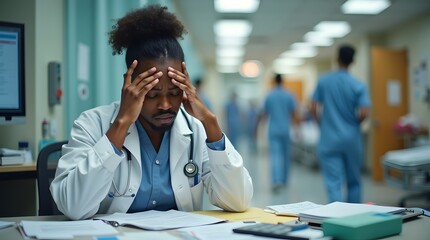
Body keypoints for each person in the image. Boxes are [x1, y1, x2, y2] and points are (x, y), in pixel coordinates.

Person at [50, 5, 253, 220]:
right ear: (131, 87)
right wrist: (120, 126)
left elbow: (237, 201)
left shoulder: (195, 130)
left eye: (175, 93)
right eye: (152, 95)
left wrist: (211, 124)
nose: (165, 104)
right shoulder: (92, 124)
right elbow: (73, 206)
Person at [311, 44, 371, 203]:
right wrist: (354, 124)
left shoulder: (324, 81)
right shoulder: (358, 84)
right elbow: (364, 112)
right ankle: (354, 217)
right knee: (354, 181)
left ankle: (336, 216)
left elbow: (313, 106)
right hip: (352, 138)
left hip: (329, 138)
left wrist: (321, 123)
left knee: (333, 182)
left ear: (337, 59)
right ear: (353, 61)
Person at [258, 74, 299, 192]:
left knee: (275, 156)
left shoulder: (270, 96)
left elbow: (264, 114)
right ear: (283, 81)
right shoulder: (289, 95)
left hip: (274, 130)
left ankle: (277, 181)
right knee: (286, 156)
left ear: (274, 82)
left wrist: (260, 128)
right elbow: (294, 114)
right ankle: (285, 181)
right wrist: (297, 129)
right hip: (285, 130)